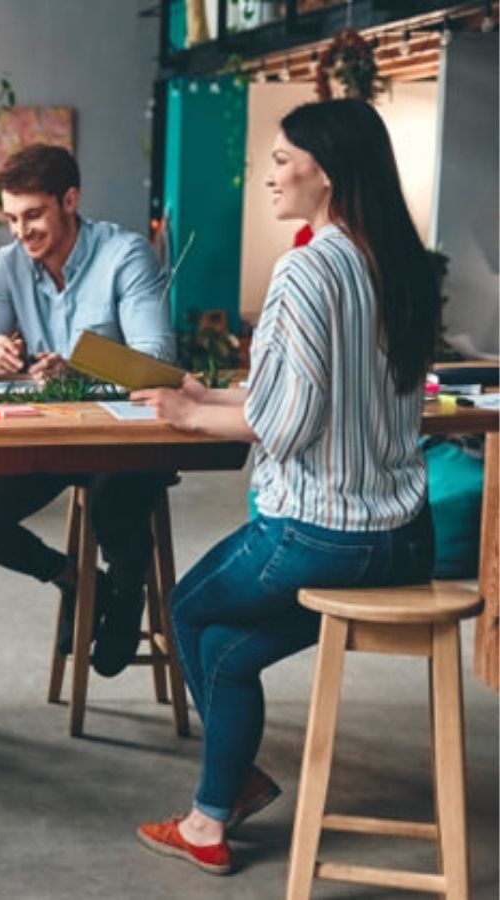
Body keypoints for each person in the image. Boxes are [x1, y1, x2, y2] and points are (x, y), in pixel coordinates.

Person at [132, 99, 440, 875]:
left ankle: (223, 796)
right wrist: (208, 399)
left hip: (321, 539)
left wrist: (184, 416)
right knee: (228, 653)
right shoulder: (393, 261)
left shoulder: (307, 267)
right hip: (404, 541)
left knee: (188, 607)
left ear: (325, 174)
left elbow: (291, 422)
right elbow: (316, 397)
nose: (267, 174)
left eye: (280, 159)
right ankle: (214, 810)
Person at [0, 144, 173, 675]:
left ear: (69, 200)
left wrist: (79, 366)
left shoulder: (125, 255)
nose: (21, 231)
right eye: (12, 218)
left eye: (33, 215)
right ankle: (76, 581)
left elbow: (158, 357)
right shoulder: (11, 264)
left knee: (111, 503)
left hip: (126, 439)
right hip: (53, 437)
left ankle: (125, 591)